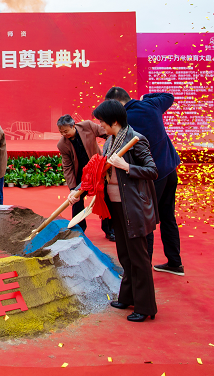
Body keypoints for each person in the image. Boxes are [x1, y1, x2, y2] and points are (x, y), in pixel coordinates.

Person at [88, 99, 159, 322]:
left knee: (139, 257)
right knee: (124, 255)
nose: (101, 126)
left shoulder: (136, 140)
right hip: (116, 205)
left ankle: (146, 306)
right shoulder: (110, 141)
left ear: (115, 121)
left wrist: (127, 167)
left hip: (134, 207)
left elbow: (152, 171)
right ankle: (128, 296)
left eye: (103, 122)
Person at [106, 87, 183, 276]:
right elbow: (168, 96)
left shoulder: (125, 122)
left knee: (144, 221)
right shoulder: (151, 104)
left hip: (150, 176)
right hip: (170, 169)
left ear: (117, 104)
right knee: (167, 217)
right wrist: (144, 97)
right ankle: (175, 262)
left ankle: (142, 270)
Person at [56, 114, 112, 239]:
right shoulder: (62, 144)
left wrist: (108, 153)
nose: (64, 134)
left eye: (66, 131)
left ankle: (109, 230)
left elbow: (108, 134)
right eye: (61, 132)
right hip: (82, 176)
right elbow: (68, 166)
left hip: (99, 169)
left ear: (73, 126)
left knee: (106, 197)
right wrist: (72, 189)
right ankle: (79, 229)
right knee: (76, 200)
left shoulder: (88, 126)